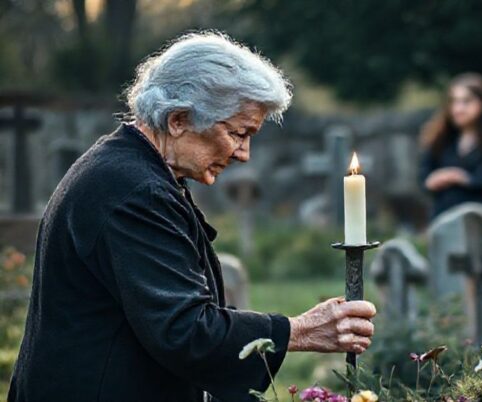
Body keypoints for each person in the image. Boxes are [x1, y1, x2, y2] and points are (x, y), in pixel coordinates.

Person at [9, 32, 376, 402]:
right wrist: (297, 331)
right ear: (179, 119)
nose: (243, 154)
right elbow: (184, 331)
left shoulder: (129, 168)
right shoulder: (135, 191)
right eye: (237, 133)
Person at [419, 73, 482, 219]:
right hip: (443, 220)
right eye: (454, 102)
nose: (458, 108)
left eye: (466, 101)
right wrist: (433, 180)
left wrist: (457, 177)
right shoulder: (440, 139)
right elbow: (424, 176)